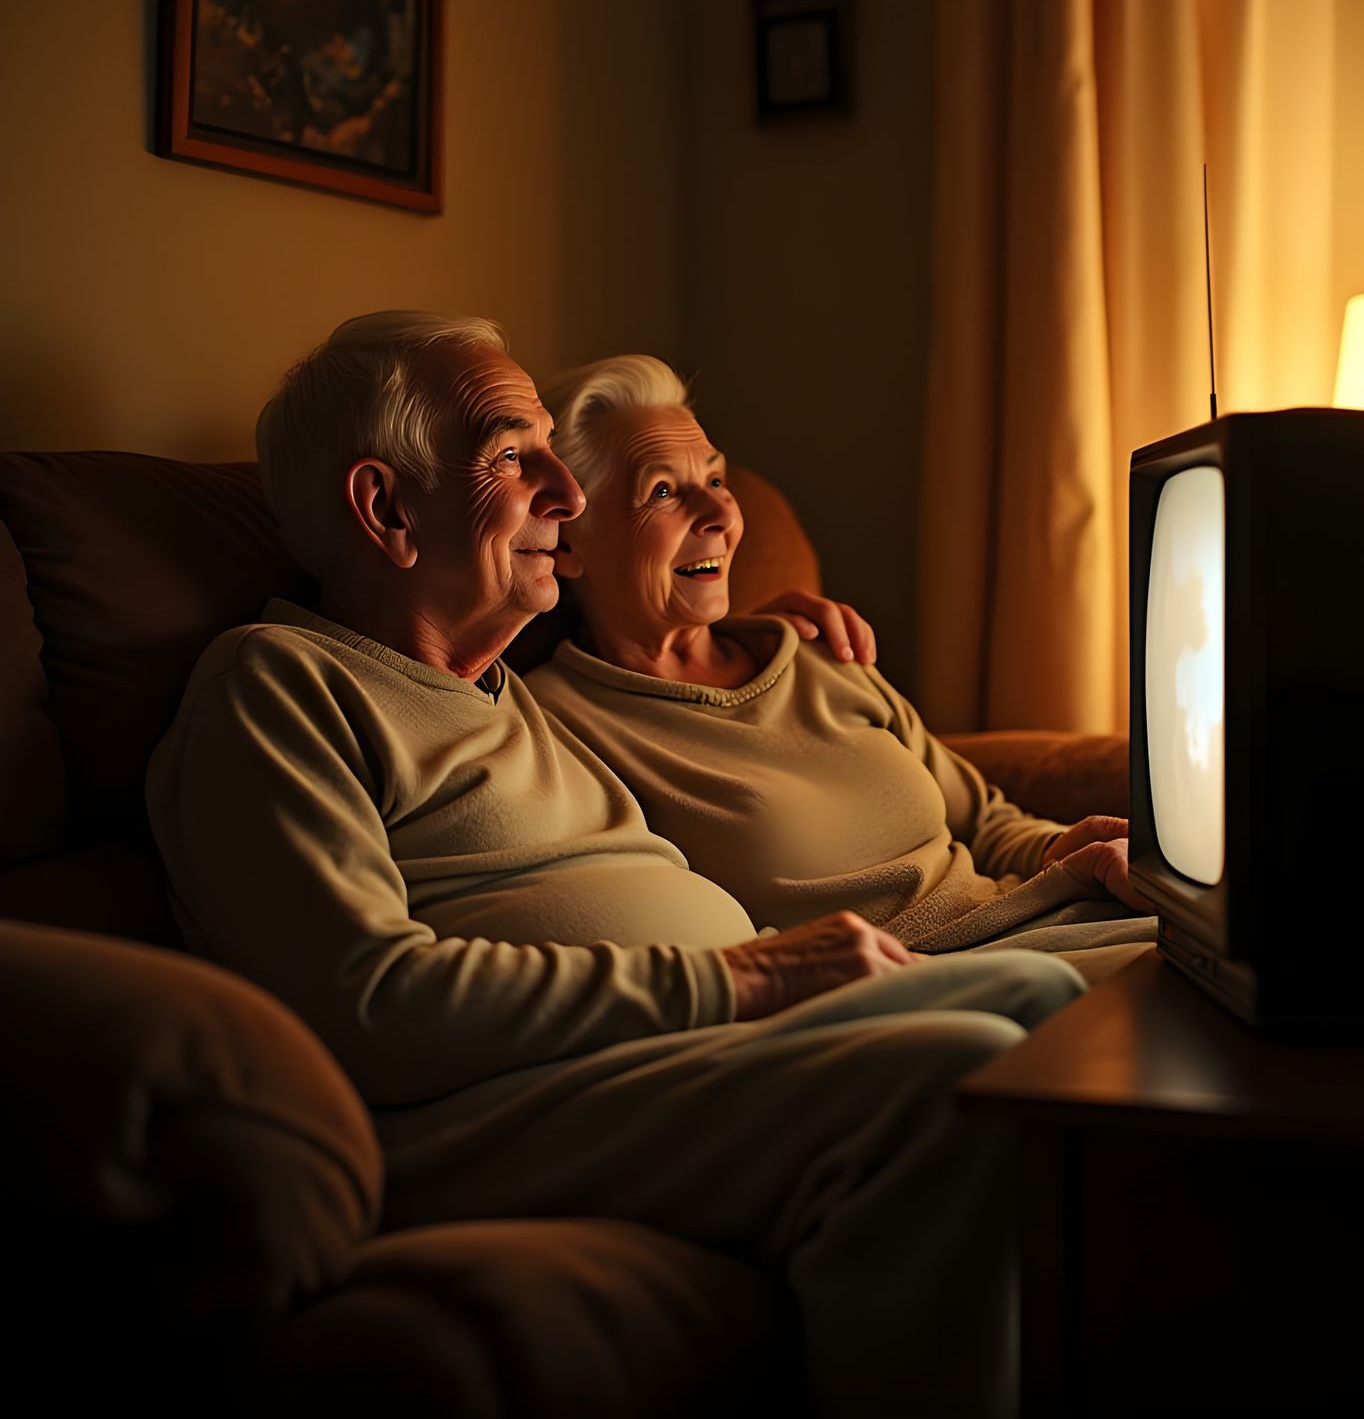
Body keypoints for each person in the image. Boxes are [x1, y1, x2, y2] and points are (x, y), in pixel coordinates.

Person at [146, 311, 1087, 1419]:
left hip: (673, 1047)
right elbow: (367, 1001)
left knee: (1043, 991)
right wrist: (750, 976)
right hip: (491, 1108)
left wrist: (770, 646)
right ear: (386, 508)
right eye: (513, 454)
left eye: (557, 449)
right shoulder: (279, 684)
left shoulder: (504, 687)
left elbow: (676, 659)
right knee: (960, 1066)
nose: (566, 491)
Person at [526, 356, 1159, 982]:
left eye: (716, 481)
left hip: (1053, 917)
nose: (720, 516)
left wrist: (1074, 849)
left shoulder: (815, 651)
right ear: (569, 542)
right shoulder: (560, 728)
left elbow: (987, 821)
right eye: (662, 492)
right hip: (927, 983)